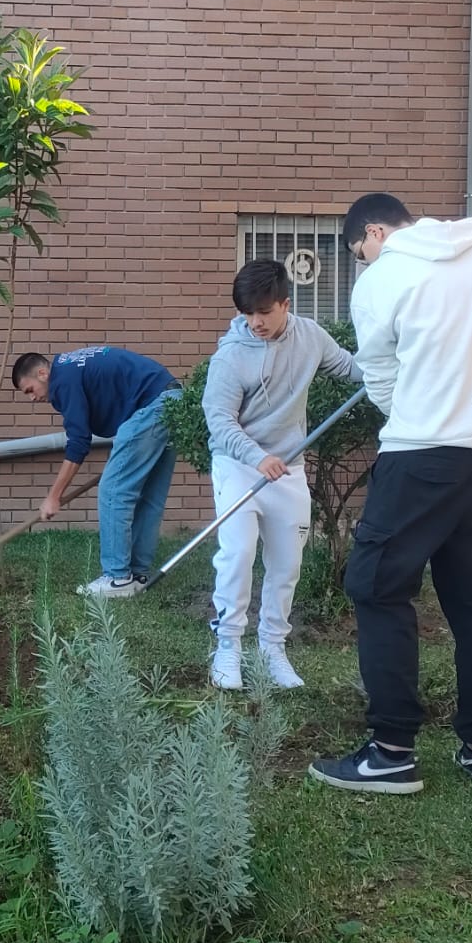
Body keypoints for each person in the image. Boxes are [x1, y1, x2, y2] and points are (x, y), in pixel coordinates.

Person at [309, 195, 472, 795]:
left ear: (374, 231)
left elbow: (378, 374)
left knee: (375, 586)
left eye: (358, 252)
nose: (363, 261)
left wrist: (419, 415)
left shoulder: (385, 277)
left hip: (418, 456)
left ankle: (392, 751)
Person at [203, 259, 361, 692]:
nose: (255, 322)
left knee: (286, 564)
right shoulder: (231, 356)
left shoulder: (310, 337)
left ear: (285, 303)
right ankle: (229, 646)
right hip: (239, 467)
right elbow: (219, 421)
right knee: (237, 555)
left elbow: (351, 369)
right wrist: (256, 457)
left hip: (288, 469)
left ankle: (272, 647)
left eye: (264, 312)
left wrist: (393, 369)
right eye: (247, 313)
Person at [11, 345, 180, 597]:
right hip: (172, 401)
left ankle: (117, 578)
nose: (32, 399)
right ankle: (137, 575)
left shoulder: (63, 379)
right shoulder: (71, 368)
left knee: (112, 492)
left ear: (42, 373)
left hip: (152, 407)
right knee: (149, 496)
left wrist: (54, 496)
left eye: (30, 390)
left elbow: (79, 441)